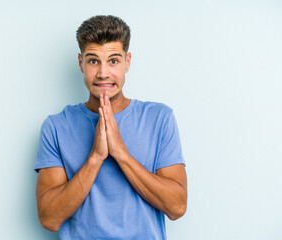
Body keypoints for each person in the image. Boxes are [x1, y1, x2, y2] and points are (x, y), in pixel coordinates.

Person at [34, 15, 187, 240]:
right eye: (93, 61)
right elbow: (49, 218)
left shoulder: (159, 118)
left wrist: (121, 153)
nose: (103, 73)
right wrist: (96, 156)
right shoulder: (56, 127)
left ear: (128, 62)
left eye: (113, 61)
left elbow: (177, 207)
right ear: (81, 63)